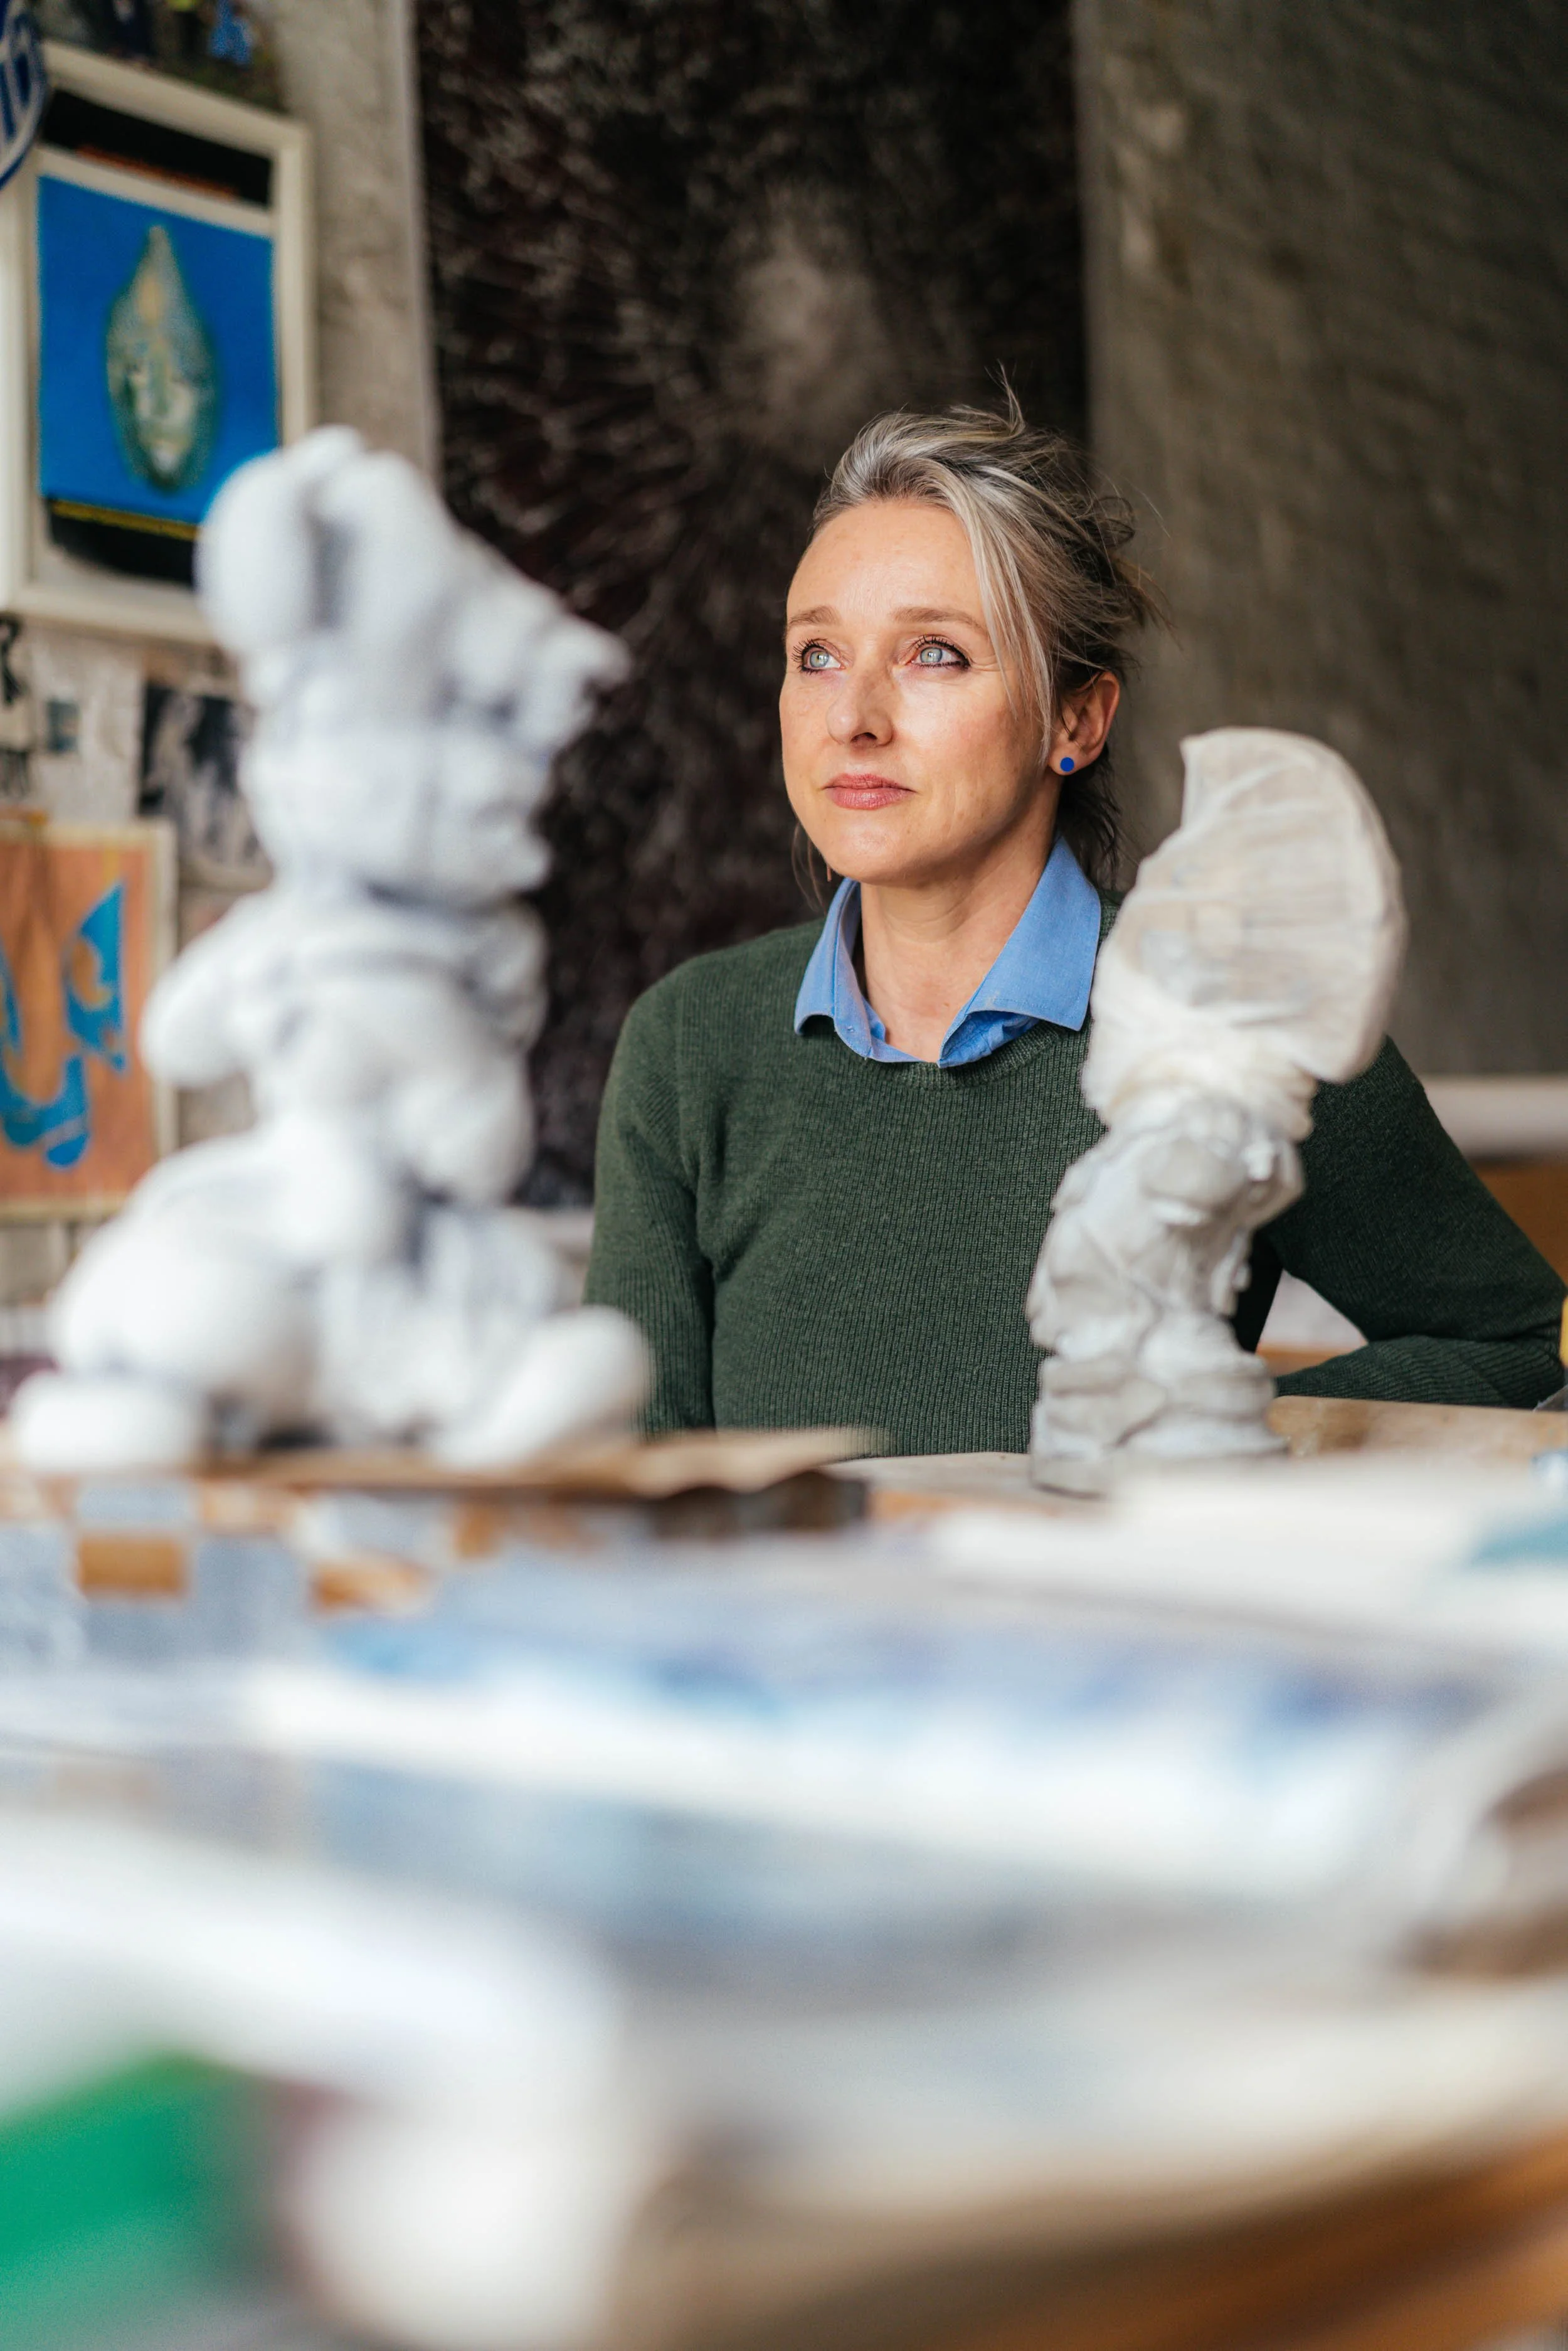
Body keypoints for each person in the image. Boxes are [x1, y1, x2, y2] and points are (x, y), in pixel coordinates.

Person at [585, 398, 1564, 1453]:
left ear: (1077, 720)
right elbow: (637, 1475)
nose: (852, 717)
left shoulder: (1223, 1012)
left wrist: (1223, 1433)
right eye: (816, 654)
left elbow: (1519, 1348)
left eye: (934, 654)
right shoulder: (689, 1042)